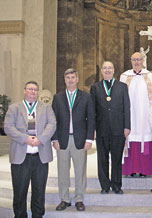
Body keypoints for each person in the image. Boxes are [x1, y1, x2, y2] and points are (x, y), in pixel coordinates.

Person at [4, 81, 56, 218]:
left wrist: (41, 139)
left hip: (40, 156)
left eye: (35, 90)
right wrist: (25, 138)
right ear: (24, 91)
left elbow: (52, 124)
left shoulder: (46, 108)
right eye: (30, 89)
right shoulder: (14, 108)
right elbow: (8, 127)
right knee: (20, 191)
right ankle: (20, 215)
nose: (33, 92)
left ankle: (38, 215)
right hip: (21, 157)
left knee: (39, 191)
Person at [52, 68, 95, 211]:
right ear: (64, 80)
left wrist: (89, 138)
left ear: (77, 79)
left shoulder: (86, 97)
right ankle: (64, 198)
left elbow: (91, 119)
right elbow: (53, 120)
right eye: (67, 78)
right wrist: (54, 139)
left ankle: (79, 198)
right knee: (62, 171)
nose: (70, 80)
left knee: (80, 170)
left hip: (80, 140)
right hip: (62, 140)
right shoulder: (57, 98)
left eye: (73, 77)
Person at [90, 61, 131, 194]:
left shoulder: (122, 86)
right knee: (102, 159)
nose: (107, 70)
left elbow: (127, 108)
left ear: (114, 70)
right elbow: (92, 110)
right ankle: (105, 186)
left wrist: (127, 126)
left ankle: (117, 185)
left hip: (118, 128)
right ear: (101, 71)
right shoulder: (95, 87)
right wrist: (93, 129)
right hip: (101, 129)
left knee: (117, 158)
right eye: (105, 68)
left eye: (110, 68)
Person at [120, 52, 152, 177]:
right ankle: (130, 169)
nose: (136, 62)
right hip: (129, 115)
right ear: (131, 61)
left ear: (143, 61)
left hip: (145, 116)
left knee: (145, 137)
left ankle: (144, 169)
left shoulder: (149, 76)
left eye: (139, 59)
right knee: (129, 138)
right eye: (134, 60)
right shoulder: (125, 76)